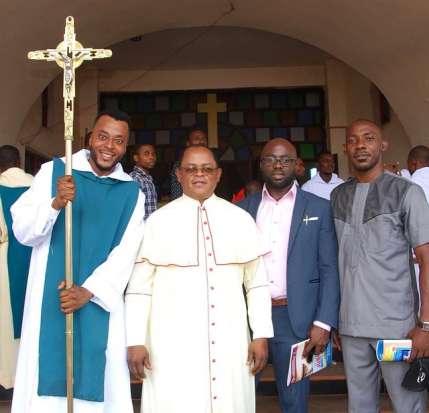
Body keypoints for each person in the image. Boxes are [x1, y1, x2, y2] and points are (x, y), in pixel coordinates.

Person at [11, 110, 145, 413]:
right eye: (103, 136)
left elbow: (127, 251)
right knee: (45, 370)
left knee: (99, 372)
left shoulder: (131, 191)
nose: (109, 146)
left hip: (98, 301)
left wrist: (88, 291)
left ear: (126, 147)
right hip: (50, 299)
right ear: (89, 138)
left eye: (118, 141)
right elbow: (22, 231)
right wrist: (55, 203)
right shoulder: (54, 172)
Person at [125, 145, 273, 413]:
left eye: (206, 169)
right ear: (179, 175)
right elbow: (138, 288)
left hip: (230, 340)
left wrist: (261, 334)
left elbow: (257, 283)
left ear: (218, 175)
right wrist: (135, 340)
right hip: (171, 343)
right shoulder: (157, 222)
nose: (199, 175)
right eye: (191, 169)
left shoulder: (240, 220)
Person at [331, 119, 429, 413]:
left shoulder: (406, 193)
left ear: (382, 145)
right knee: (359, 406)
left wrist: (425, 325)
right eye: (353, 140)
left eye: (369, 138)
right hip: (351, 326)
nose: (361, 145)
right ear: (346, 148)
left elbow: (426, 259)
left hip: (396, 327)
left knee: (406, 405)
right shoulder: (338, 197)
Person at [237, 138, 339, 413]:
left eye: (285, 159)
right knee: (239, 396)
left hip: (297, 319)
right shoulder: (243, 210)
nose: (278, 164)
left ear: (297, 165)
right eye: (270, 159)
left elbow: (329, 267)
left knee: (294, 400)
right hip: (248, 318)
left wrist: (324, 321)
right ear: (261, 165)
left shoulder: (318, 207)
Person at [0, 145, 33, 389]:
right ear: (19, 161)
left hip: (5, 258)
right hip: (35, 255)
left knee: (6, 317)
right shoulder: (37, 185)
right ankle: (29, 375)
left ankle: (7, 376)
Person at [170, 128, 207, 199]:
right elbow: (176, 194)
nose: (201, 141)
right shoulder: (180, 165)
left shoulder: (212, 164)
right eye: (197, 138)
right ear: (188, 143)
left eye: (203, 138)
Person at [130, 143, 157, 220]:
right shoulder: (135, 179)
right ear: (136, 158)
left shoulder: (147, 178)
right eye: (146, 154)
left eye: (153, 154)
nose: (151, 157)